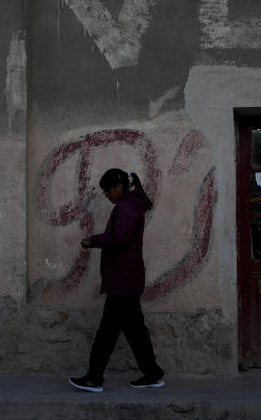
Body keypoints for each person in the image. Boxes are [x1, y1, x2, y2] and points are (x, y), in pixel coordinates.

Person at [68, 168, 165, 392]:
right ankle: (152, 373)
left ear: (119, 187)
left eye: (108, 191)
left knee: (107, 333)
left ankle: (94, 378)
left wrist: (93, 240)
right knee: (135, 331)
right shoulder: (128, 205)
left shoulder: (127, 207)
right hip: (126, 279)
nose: (107, 196)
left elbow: (119, 239)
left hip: (123, 280)